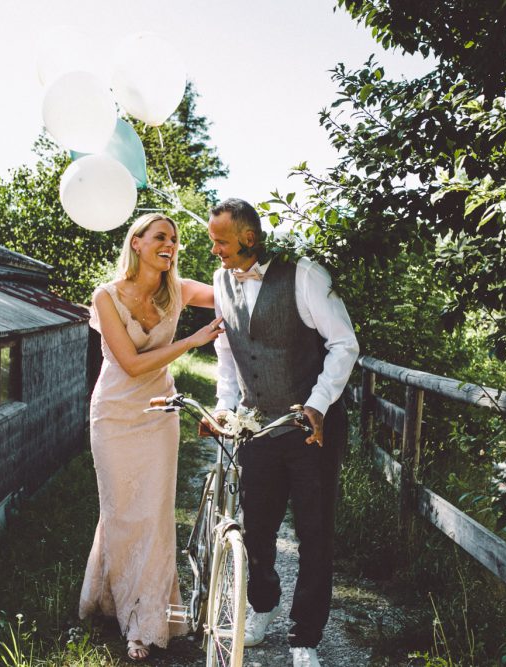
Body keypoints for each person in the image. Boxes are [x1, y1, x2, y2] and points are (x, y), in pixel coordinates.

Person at [208, 198, 359, 667]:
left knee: (314, 533)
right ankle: (263, 607)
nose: (215, 250)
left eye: (222, 241)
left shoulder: (304, 274)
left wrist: (316, 406)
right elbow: (229, 356)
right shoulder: (220, 280)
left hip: (311, 428)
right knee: (258, 529)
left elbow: (344, 344)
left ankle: (305, 638)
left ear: (249, 238)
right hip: (257, 428)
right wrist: (223, 407)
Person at [79, 213, 223, 662]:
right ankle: (112, 599)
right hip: (115, 416)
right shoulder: (106, 296)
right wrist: (192, 341)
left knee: (155, 516)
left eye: (175, 240)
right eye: (161, 237)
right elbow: (132, 364)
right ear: (136, 243)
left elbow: (234, 293)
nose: (171, 245)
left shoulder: (178, 290)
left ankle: (144, 623)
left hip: (160, 414)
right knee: (121, 511)